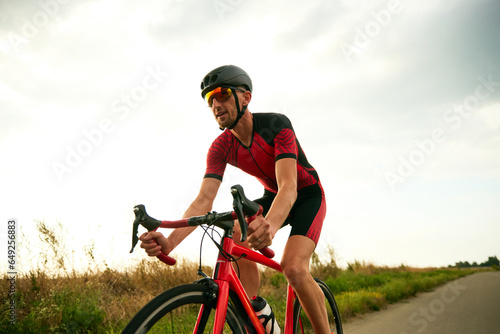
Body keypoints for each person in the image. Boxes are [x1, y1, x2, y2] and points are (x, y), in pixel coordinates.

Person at [139, 65, 330, 333]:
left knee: (293, 268)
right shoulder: (220, 147)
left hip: (306, 194)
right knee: (237, 230)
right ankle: (254, 312)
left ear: (246, 97)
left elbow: (289, 185)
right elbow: (203, 200)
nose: (216, 104)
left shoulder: (277, 125)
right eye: (210, 99)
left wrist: (270, 227)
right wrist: (169, 242)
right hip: (273, 195)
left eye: (223, 94)